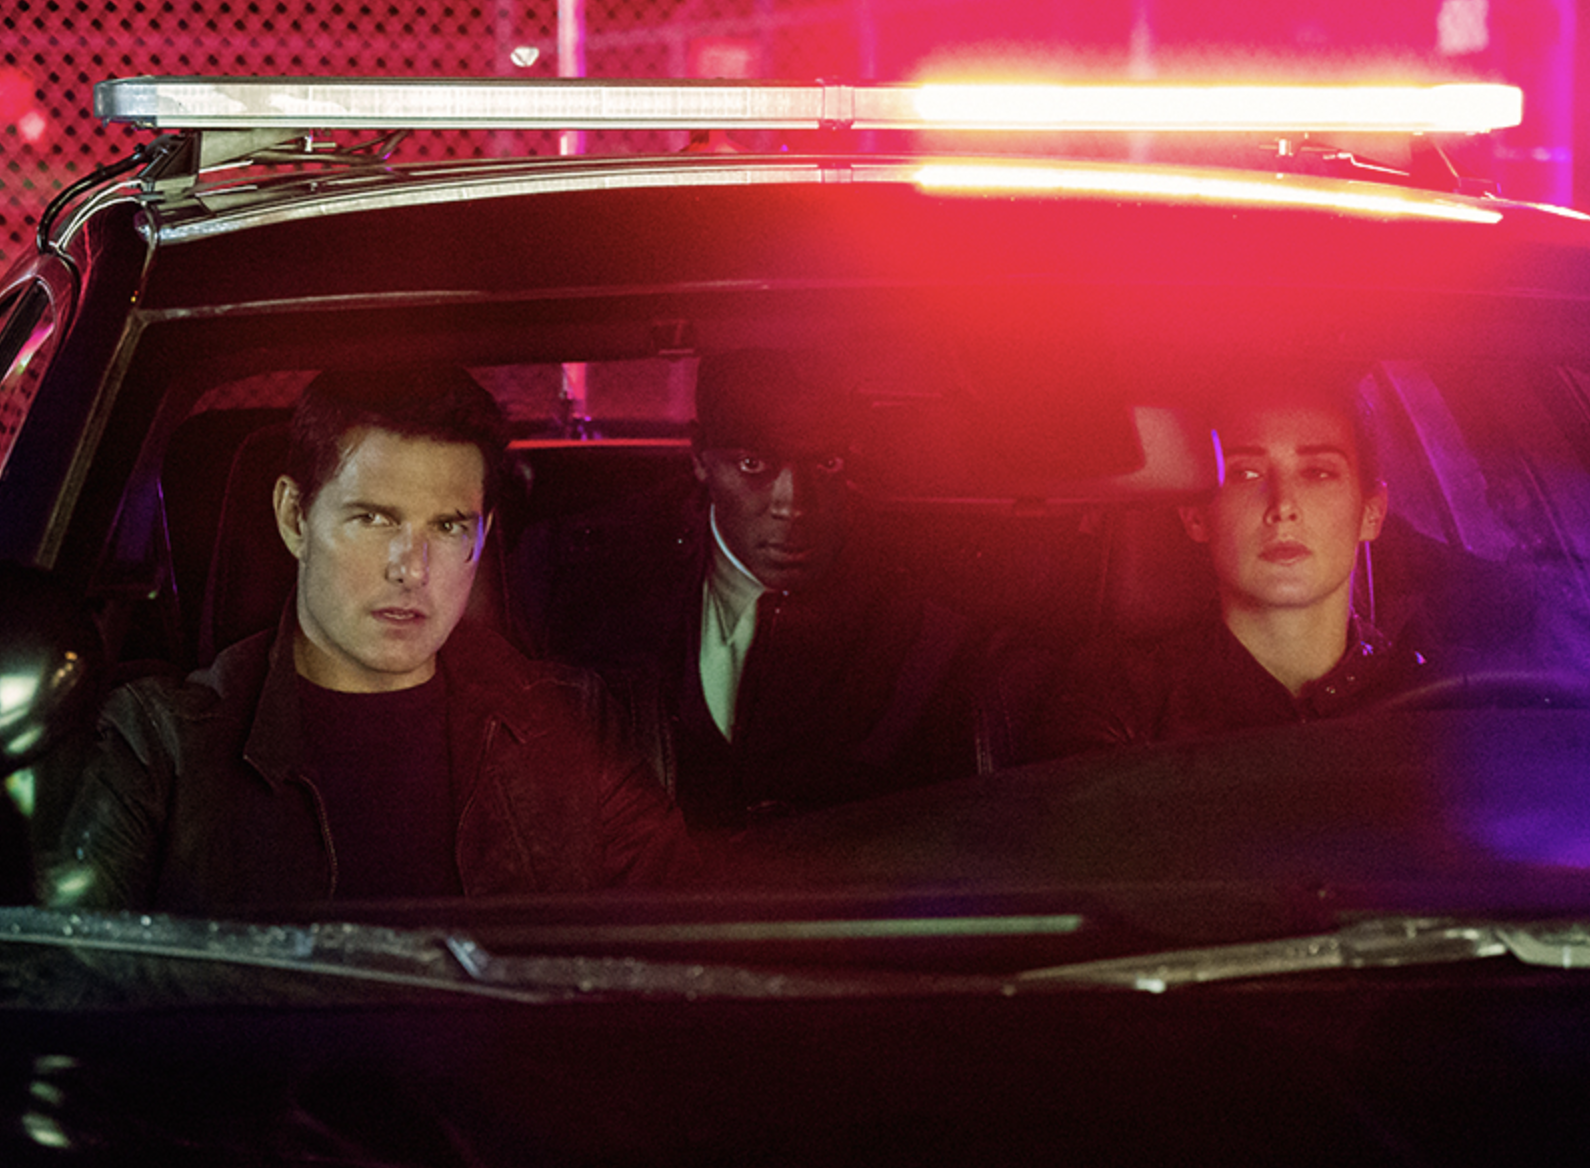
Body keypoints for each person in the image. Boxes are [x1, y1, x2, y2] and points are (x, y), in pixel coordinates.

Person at [47, 366, 697, 914]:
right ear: (294, 517)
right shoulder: (160, 746)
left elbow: (682, 956)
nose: (411, 568)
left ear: (482, 535)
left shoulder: (572, 723)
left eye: (447, 526)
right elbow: (65, 980)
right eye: (374, 518)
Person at [513, 348, 975, 831]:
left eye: (827, 463)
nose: (792, 504)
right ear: (699, 459)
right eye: (753, 464)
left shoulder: (930, 607)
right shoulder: (579, 580)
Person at [1038, 365, 1428, 756]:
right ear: (1195, 516)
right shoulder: (1125, 702)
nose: (1283, 506)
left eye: (1317, 472)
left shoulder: (1428, 694)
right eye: (1245, 473)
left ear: (1371, 513)